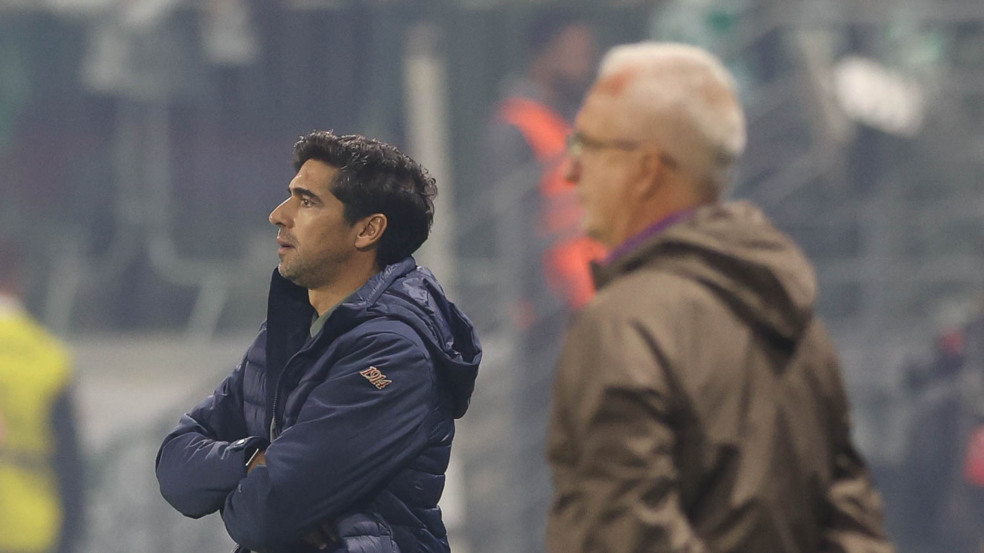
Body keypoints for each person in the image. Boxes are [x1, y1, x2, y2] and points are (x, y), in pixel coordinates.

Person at [546, 42, 895, 553]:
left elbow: (631, 535)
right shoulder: (793, 314)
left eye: (587, 146)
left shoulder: (623, 325)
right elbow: (850, 518)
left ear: (645, 170)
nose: (571, 171)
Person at [155, 131, 482, 553]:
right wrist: (252, 461)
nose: (278, 215)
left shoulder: (394, 353)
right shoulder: (290, 330)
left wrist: (239, 482)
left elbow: (263, 515)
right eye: (290, 196)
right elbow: (174, 463)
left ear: (368, 230)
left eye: (307, 202)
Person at [0, 240, 85, 553]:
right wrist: (71, 534)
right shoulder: (48, 358)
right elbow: (69, 461)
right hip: (31, 531)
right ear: (19, 280)